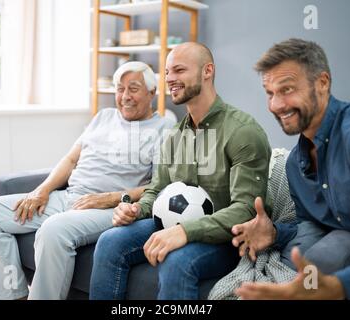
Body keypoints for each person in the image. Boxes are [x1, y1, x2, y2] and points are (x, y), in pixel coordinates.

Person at [0, 61, 175, 300]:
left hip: (109, 208)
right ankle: (12, 296)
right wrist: (42, 190)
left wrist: (110, 198)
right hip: (68, 197)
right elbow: (70, 159)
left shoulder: (165, 128)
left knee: (53, 231)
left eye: (133, 88)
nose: (125, 96)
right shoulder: (103, 117)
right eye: (120, 89)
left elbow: (160, 184)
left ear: (152, 92)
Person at [89, 42, 272, 300]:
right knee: (110, 242)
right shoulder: (173, 137)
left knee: (177, 261)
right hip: (172, 225)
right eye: (166, 72)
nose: (170, 79)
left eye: (179, 70)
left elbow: (246, 209)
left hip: (225, 239)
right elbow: (156, 190)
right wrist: (134, 209)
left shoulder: (243, 131)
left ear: (207, 71)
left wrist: (185, 232)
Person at [232, 38, 350, 299]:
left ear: (322, 83)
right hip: (349, 248)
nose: (276, 105)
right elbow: (313, 226)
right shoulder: (296, 163)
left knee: (322, 260)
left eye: (287, 89)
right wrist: (275, 233)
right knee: (302, 259)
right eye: (270, 93)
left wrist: (340, 287)